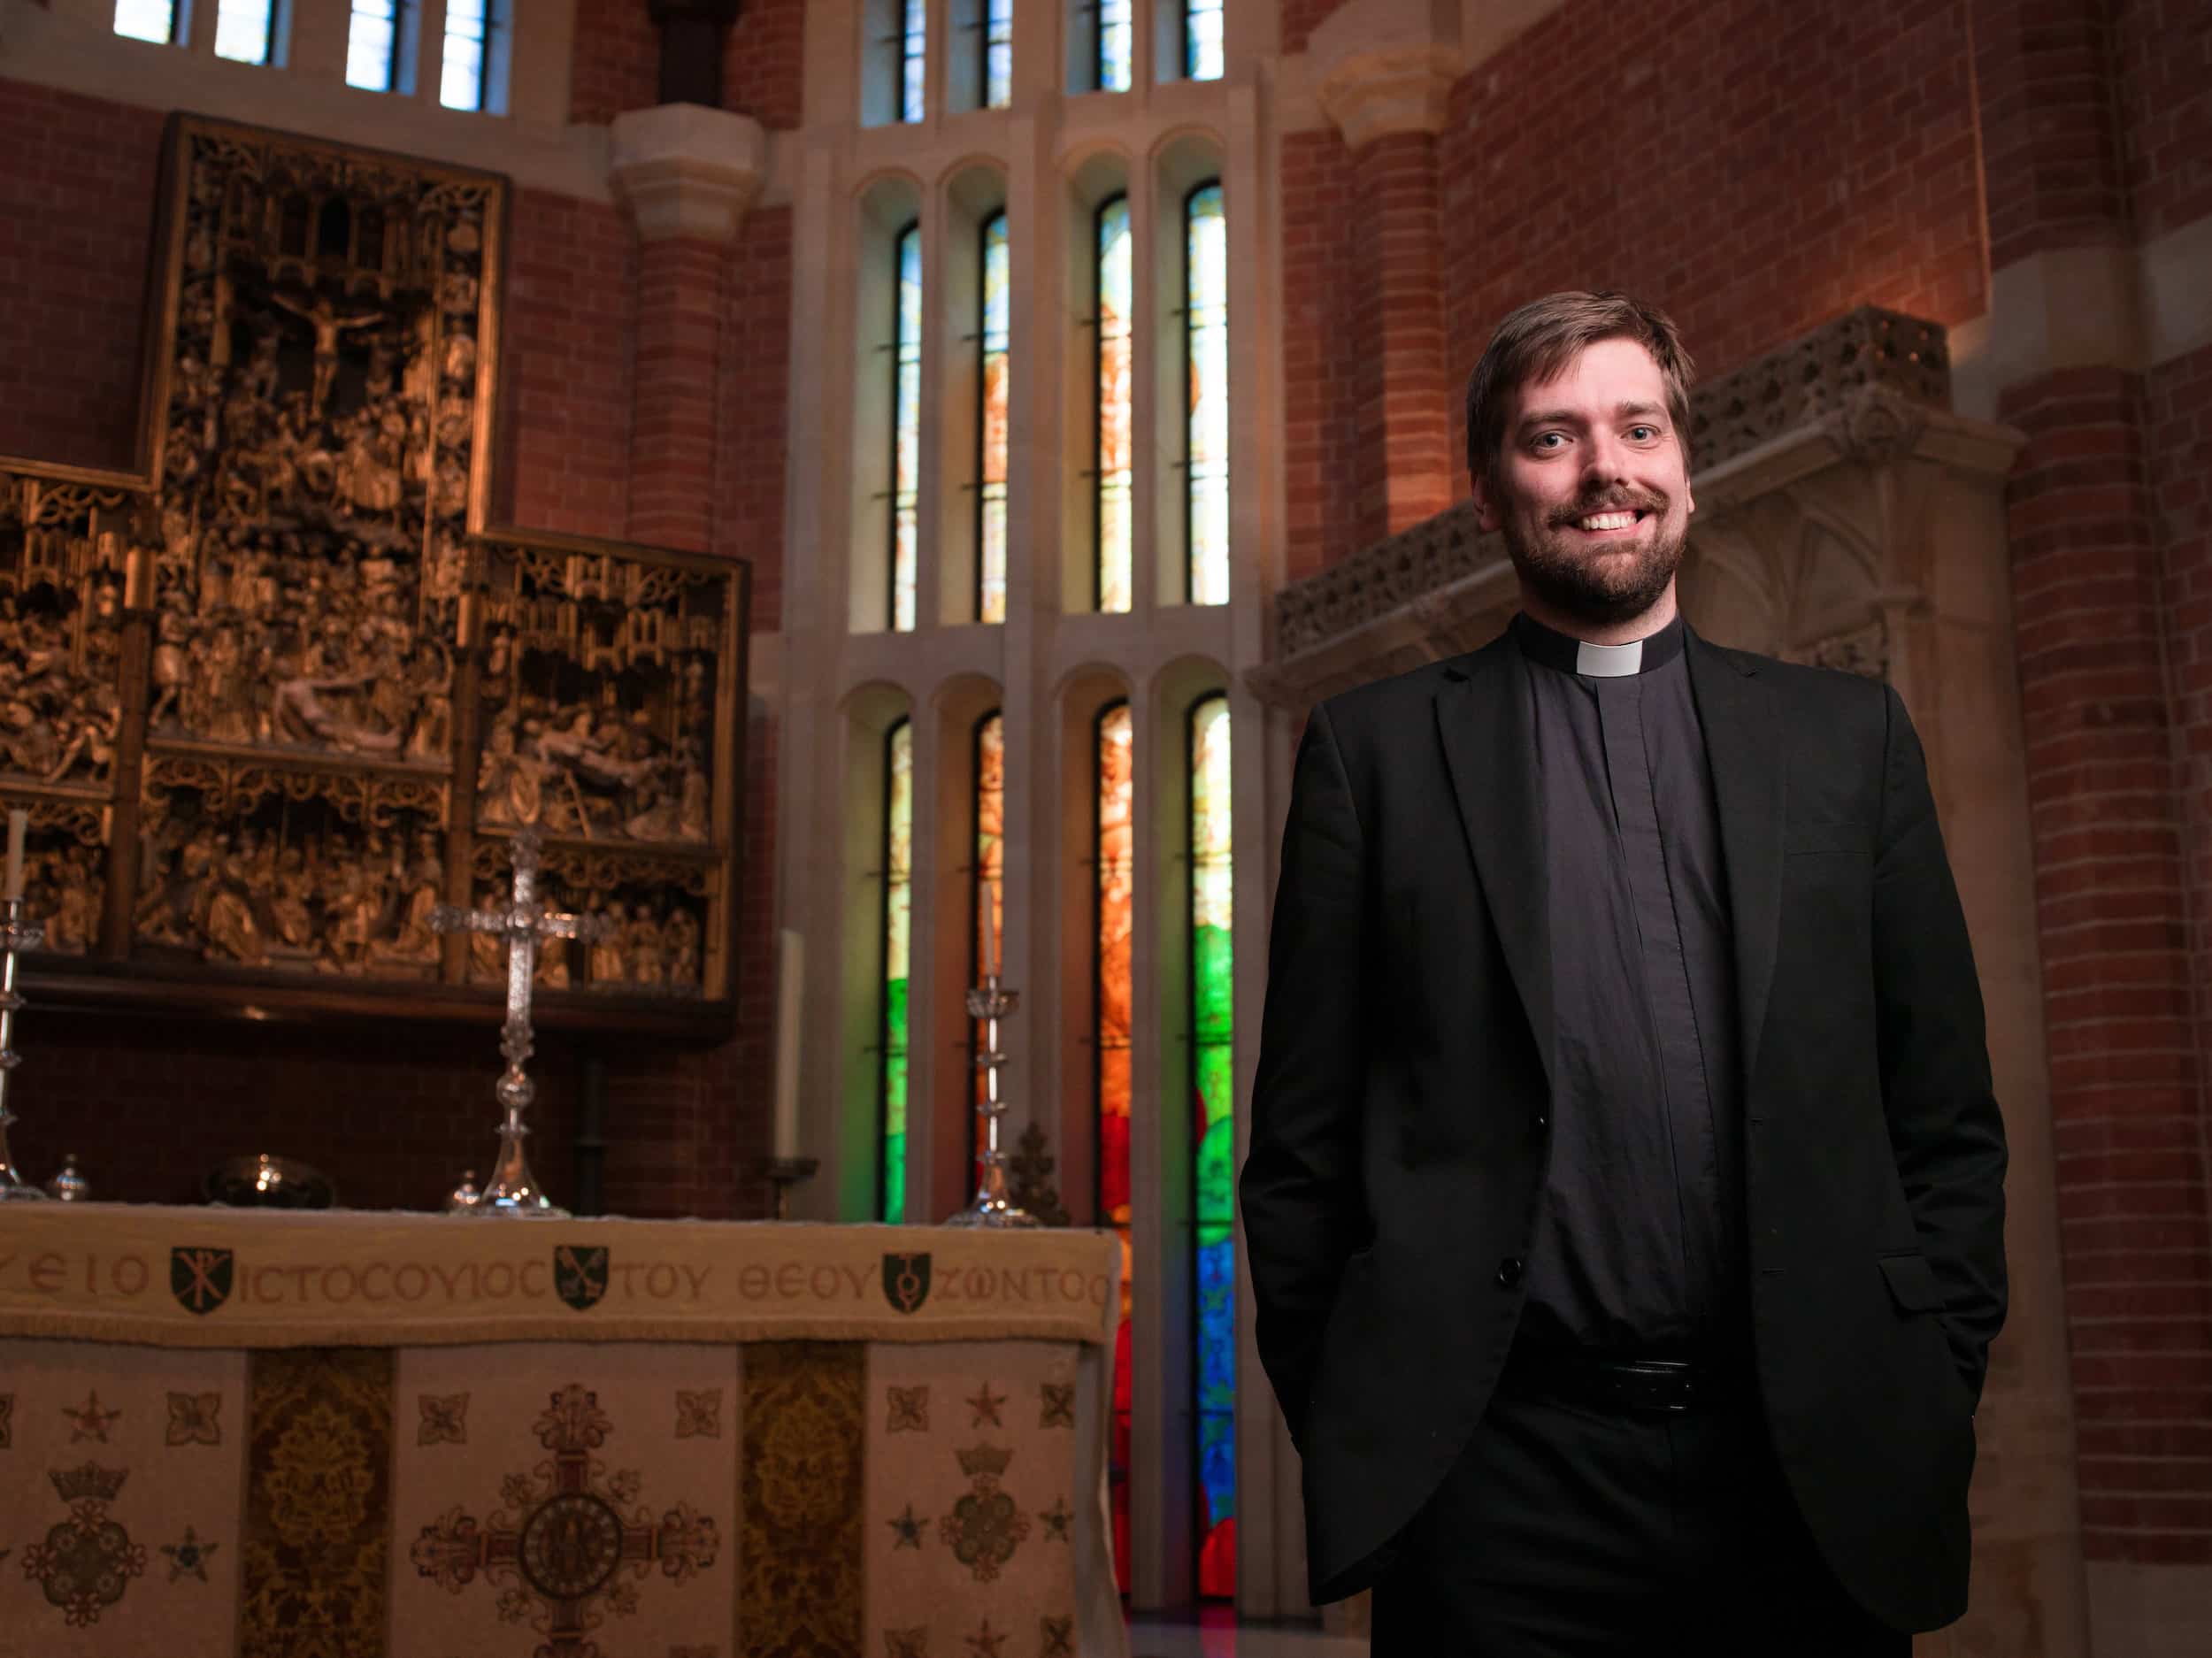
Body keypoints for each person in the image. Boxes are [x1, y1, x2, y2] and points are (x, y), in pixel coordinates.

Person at [1240, 291, 2007, 1655]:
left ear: (1685, 473)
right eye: (1552, 436)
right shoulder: (1379, 758)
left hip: (1806, 1464)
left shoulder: (1848, 742)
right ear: (1490, 493)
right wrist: (1388, 1429)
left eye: (1637, 427)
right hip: (1502, 1489)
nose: (1606, 469)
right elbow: (1299, 1159)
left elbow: (1944, 1115)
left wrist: (1928, 1377)